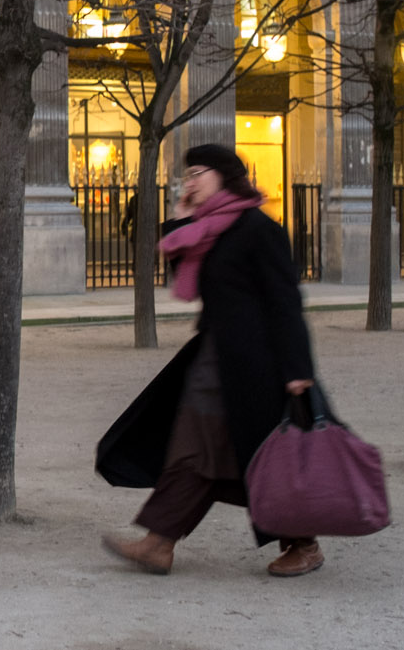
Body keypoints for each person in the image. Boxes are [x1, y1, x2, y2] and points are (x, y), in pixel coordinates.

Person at [94, 143, 323, 577]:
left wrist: (297, 370)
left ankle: (304, 542)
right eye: (187, 175)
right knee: (195, 451)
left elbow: (285, 302)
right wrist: (181, 218)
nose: (190, 182)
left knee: (257, 456)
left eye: (198, 172)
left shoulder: (259, 229)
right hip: (215, 358)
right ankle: (159, 543)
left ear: (225, 175)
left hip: (259, 367)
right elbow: (183, 276)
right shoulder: (209, 231)